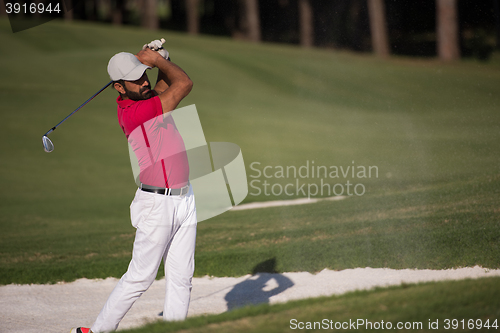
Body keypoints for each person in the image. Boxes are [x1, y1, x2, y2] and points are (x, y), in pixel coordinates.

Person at [71, 41, 197, 333]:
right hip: (157, 205)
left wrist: (160, 58)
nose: (143, 82)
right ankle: (98, 331)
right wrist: (156, 61)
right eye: (136, 79)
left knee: (181, 278)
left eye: (144, 75)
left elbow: (165, 83)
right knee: (141, 276)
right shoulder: (136, 113)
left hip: (185, 198)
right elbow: (184, 84)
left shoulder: (146, 97)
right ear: (118, 87)